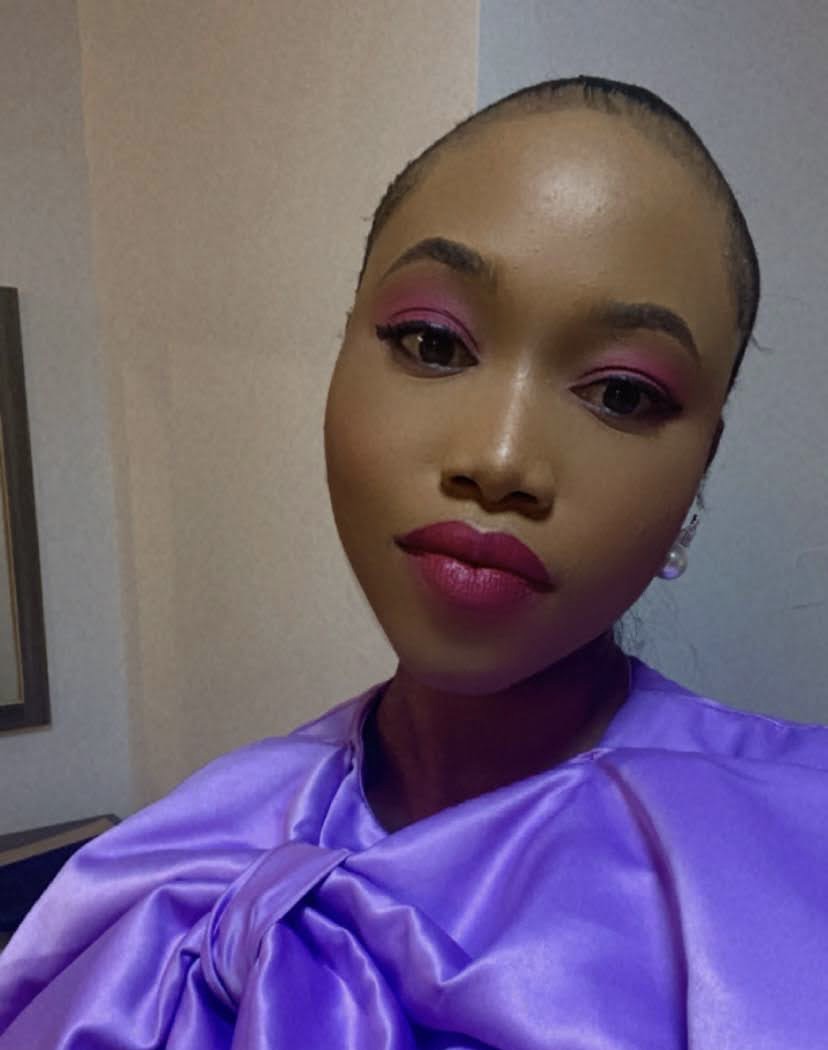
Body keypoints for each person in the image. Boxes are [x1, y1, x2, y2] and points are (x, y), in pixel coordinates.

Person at [1, 74, 827, 1048]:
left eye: (623, 395)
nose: (501, 460)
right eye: (433, 343)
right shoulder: (164, 858)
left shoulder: (799, 851)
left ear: (701, 470)